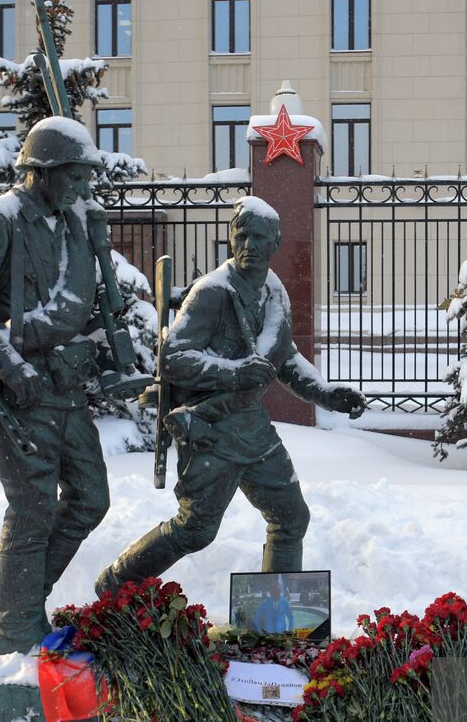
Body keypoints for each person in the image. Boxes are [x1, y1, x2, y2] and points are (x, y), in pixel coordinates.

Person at [95, 196, 366, 595]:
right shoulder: (212, 293)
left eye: (260, 238)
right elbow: (173, 357)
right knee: (195, 528)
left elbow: (284, 358)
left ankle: (277, 618)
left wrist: (325, 393)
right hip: (209, 428)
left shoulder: (274, 293)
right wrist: (235, 372)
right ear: (230, 239)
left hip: (252, 429)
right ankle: (115, 584)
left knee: (291, 517)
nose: (250, 246)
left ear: (275, 245)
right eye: (242, 236)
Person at [0, 116, 112, 655]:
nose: (83, 190)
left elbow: (80, 303)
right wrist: (12, 367)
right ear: (42, 172)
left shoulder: (73, 220)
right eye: (75, 178)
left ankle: (28, 598)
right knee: (31, 508)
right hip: (21, 388)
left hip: (67, 387)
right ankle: (16, 629)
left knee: (90, 498)